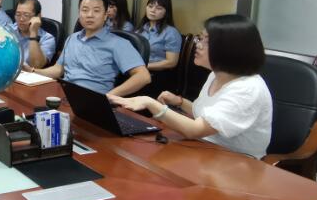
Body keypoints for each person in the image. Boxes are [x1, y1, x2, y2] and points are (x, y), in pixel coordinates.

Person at [109, 14, 273, 159]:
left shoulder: (247, 89)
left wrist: (150, 103)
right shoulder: (216, 74)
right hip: (204, 151)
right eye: (199, 38)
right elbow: (205, 115)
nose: (198, 45)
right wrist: (180, 102)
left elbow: (195, 129)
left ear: (230, 48)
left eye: (206, 41)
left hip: (237, 162)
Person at [29, 0, 150, 96]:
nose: (89, 15)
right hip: (64, 94)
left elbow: (143, 77)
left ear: (105, 16)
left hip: (93, 100)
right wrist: (32, 71)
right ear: (79, 13)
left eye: (96, 11)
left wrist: (109, 96)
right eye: (85, 10)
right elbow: (58, 69)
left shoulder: (118, 43)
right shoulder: (72, 38)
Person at [137, 0, 182, 73]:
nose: (152, 10)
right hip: (137, 69)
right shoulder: (141, 28)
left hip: (156, 74)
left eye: (159, 8)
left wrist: (143, 66)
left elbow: (171, 62)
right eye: (150, 6)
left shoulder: (171, 32)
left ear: (166, 12)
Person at [13, 0, 56, 68]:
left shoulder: (47, 39)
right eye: (18, 14)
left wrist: (33, 33)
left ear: (38, 17)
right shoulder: (9, 31)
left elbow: (36, 65)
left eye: (26, 15)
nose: (21, 19)